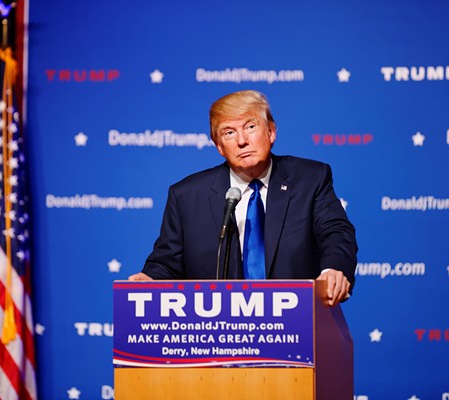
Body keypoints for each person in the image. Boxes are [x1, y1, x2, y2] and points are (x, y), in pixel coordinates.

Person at [129, 90, 357, 305]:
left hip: (297, 324)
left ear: (271, 132)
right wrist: (149, 280)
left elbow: (335, 233)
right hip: (219, 332)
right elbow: (167, 263)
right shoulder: (187, 196)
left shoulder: (310, 179)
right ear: (219, 146)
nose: (241, 141)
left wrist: (333, 270)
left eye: (250, 127)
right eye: (229, 132)